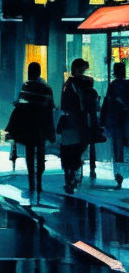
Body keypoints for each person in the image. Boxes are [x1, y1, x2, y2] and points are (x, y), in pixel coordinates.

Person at [5, 62, 55, 204]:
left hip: (27, 126)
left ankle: (31, 182)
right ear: (39, 72)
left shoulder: (25, 86)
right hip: (41, 125)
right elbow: (50, 108)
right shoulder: (46, 88)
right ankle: (39, 181)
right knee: (40, 153)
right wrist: (50, 130)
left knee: (29, 154)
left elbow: (20, 105)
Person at [59, 58, 100, 194]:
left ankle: (69, 176)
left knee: (68, 149)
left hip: (71, 120)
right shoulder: (87, 84)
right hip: (82, 121)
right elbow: (93, 104)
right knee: (78, 148)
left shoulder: (68, 84)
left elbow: (64, 103)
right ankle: (74, 173)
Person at [102, 62, 129, 189]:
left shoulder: (112, 86)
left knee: (117, 151)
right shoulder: (127, 84)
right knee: (125, 149)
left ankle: (119, 176)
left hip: (116, 122)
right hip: (126, 121)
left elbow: (107, 104)